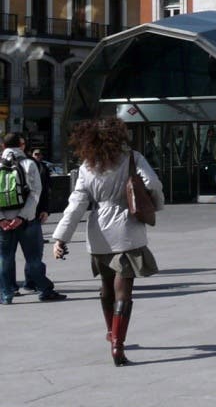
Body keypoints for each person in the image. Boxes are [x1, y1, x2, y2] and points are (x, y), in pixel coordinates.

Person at [52, 117, 165, 366]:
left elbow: (76, 205)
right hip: (126, 228)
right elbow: (153, 183)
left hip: (98, 231)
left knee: (105, 287)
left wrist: (60, 237)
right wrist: (155, 204)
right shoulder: (132, 158)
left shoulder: (87, 166)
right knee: (123, 290)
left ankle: (111, 333)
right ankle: (118, 346)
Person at [2, 133, 66, 304]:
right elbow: (35, 193)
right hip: (27, 221)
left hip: (3, 223)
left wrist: (2, 219)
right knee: (33, 258)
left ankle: (6, 294)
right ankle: (44, 289)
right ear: (21, 146)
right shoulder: (29, 164)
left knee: (5, 258)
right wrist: (22, 217)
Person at [20, 146, 67, 300]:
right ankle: (39, 286)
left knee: (6, 256)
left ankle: (8, 290)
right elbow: (39, 191)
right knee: (34, 254)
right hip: (29, 216)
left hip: (11, 217)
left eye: (40, 153)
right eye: (36, 154)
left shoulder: (7, 165)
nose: (39, 156)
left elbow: (45, 189)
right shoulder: (33, 166)